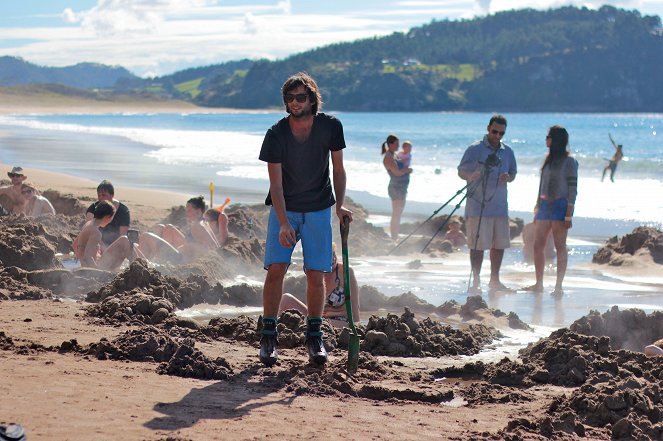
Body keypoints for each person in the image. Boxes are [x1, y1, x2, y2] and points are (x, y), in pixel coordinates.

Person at [257, 71, 353, 367]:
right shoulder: (276, 133)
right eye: (289, 98)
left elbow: (337, 169)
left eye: (300, 97)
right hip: (285, 208)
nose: (295, 102)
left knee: (316, 273)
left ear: (312, 98)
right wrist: (284, 221)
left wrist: (341, 205)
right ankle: (269, 336)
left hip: (319, 208)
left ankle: (314, 337)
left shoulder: (330, 127)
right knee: (276, 268)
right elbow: (276, 184)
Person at [457, 114, 517, 294]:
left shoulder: (508, 152)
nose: (497, 136)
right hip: (477, 205)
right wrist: (471, 175)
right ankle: (475, 280)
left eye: (501, 133)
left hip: (499, 205)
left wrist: (508, 177)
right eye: (494, 132)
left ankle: (495, 281)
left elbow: (513, 173)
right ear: (488, 128)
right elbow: (461, 171)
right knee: (477, 245)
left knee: (499, 244)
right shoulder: (474, 149)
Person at [523, 125, 578, 296]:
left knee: (560, 246)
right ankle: (538, 283)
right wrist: (537, 208)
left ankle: (558, 286)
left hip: (561, 206)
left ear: (555, 140)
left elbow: (572, 189)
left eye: (548, 136)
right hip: (545, 206)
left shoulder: (570, 162)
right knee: (538, 245)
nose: (546, 139)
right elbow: (541, 187)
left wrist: (569, 214)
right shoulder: (547, 160)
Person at [279, 244, 360, 328]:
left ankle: (310, 325)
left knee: (317, 323)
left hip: (340, 321)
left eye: (334, 254)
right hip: (318, 318)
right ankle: (276, 330)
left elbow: (355, 315)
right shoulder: (314, 273)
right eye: (328, 256)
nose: (333, 259)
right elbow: (311, 306)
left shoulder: (345, 271)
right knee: (285, 299)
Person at [141, 196, 219, 262]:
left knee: (146, 236)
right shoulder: (204, 223)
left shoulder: (197, 226)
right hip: (186, 254)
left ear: (198, 211)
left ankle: (160, 259)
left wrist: (187, 247)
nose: (187, 214)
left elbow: (208, 251)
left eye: (189, 211)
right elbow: (215, 247)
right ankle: (157, 255)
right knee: (167, 228)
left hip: (183, 259)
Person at [75, 200, 140, 271]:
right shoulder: (95, 233)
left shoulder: (89, 224)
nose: (110, 221)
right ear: (107, 217)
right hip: (95, 270)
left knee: (124, 240)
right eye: (112, 218)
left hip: (93, 265)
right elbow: (87, 257)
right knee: (124, 241)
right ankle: (138, 269)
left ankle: (138, 266)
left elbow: (80, 249)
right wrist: (97, 274)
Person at [382, 134, 413, 240]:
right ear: (390, 144)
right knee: (396, 213)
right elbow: (397, 172)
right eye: (396, 144)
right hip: (396, 188)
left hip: (401, 187)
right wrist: (408, 170)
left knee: (398, 213)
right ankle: (394, 236)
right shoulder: (388, 157)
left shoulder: (394, 155)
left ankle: (395, 235)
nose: (398, 146)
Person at [85, 180, 130, 250]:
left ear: (112, 195)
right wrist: (103, 248)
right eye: (99, 195)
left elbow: (123, 235)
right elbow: (89, 231)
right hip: (97, 244)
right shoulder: (93, 209)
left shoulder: (123, 210)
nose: (100, 198)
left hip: (116, 245)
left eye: (103, 195)